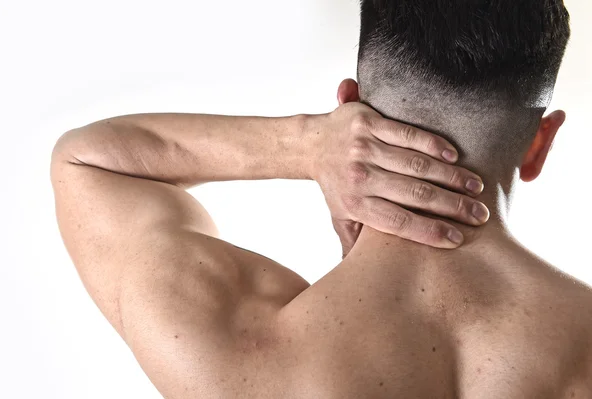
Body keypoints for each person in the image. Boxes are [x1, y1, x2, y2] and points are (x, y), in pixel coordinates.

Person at [50, 0, 591, 398]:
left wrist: (306, 143)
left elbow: (86, 161)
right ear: (540, 143)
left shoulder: (239, 345)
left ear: (349, 102)